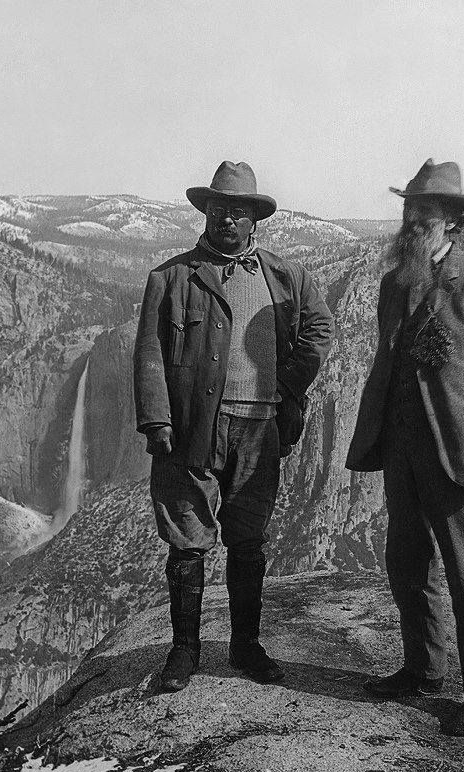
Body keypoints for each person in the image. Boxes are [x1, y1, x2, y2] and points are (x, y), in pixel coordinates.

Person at [133, 160, 334, 692]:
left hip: (261, 429)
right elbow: (150, 353)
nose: (228, 220)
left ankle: (246, 645)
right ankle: (184, 652)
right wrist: (157, 420)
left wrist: (290, 386)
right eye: (219, 210)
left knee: (248, 542)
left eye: (238, 213)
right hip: (194, 429)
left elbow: (319, 330)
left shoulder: (285, 277)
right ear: (206, 213)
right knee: (187, 540)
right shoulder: (172, 278)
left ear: (254, 220)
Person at [346, 159, 464, 736]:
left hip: (454, 453)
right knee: (406, 561)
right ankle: (423, 669)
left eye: (425, 211)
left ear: (453, 221)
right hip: (401, 449)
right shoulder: (394, 282)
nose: (413, 219)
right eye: (410, 208)